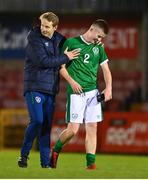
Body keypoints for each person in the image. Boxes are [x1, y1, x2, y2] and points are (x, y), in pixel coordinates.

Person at [18, 12, 80, 168]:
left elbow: (75, 52)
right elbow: (43, 61)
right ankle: (24, 155)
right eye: (42, 25)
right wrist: (66, 58)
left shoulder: (60, 40)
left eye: (47, 26)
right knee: (37, 120)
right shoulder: (34, 38)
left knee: (45, 127)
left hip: (51, 90)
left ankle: (45, 163)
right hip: (34, 87)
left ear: (55, 27)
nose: (43, 29)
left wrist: (95, 44)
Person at [50, 19, 112, 169]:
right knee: (73, 130)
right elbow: (61, 67)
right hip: (76, 93)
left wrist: (109, 87)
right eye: (99, 36)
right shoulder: (71, 43)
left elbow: (106, 70)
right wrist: (72, 82)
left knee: (92, 128)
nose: (100, 40)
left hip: (93, 92)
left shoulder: (99, 48)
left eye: (102, 38)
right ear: (92, 29)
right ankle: (55, 150)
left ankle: (91, 164)